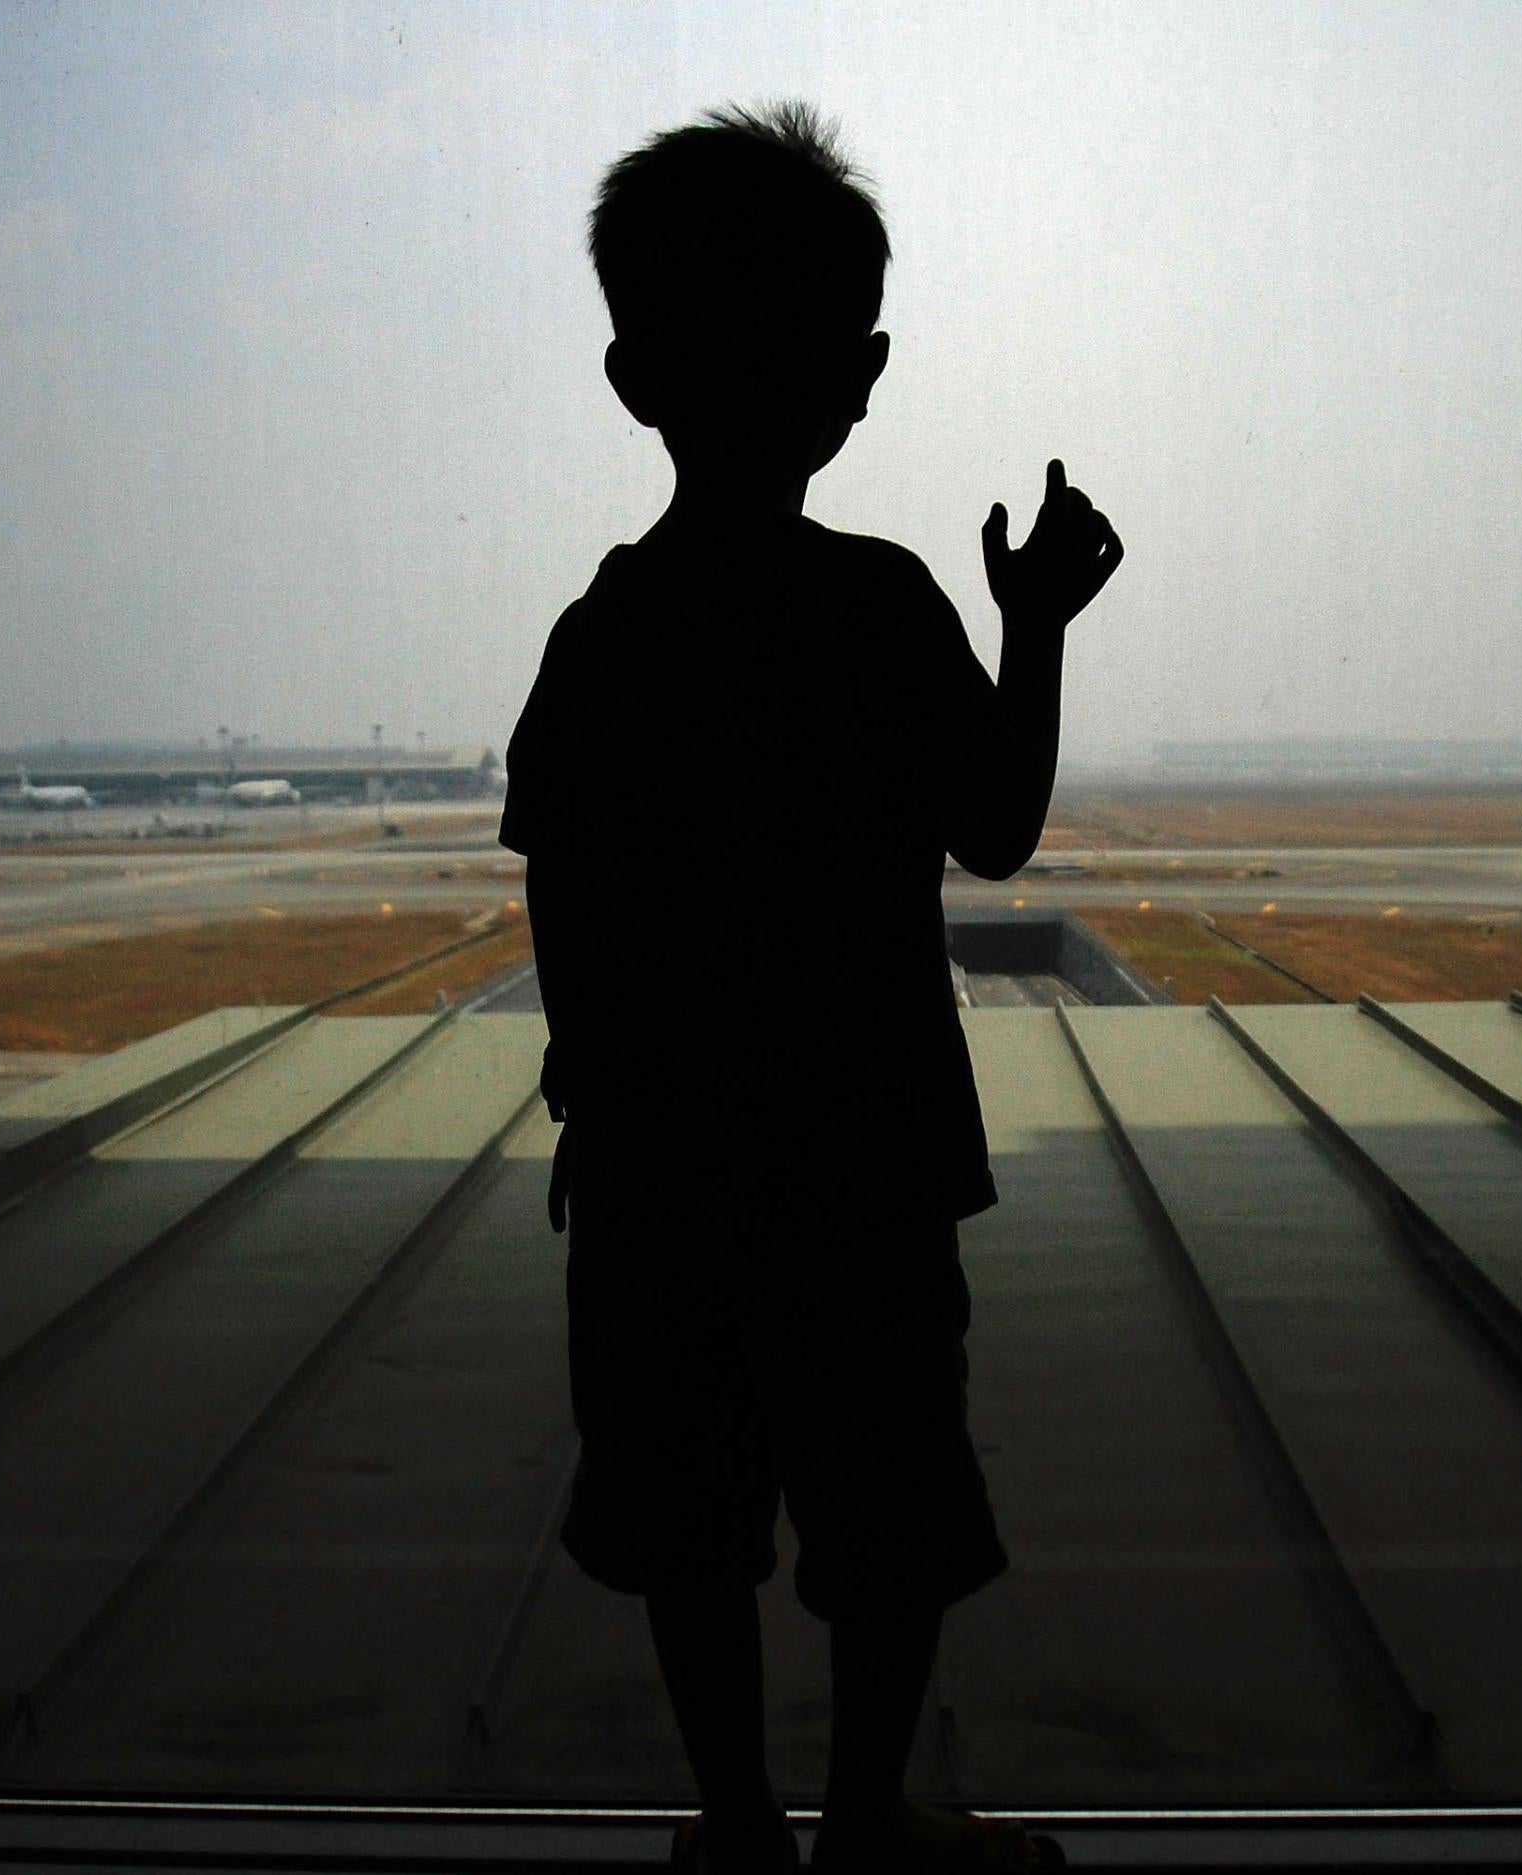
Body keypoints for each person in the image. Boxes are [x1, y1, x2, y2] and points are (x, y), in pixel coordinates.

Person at [500, 101, 1121, 1875]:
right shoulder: (879, 608)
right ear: (857, 378)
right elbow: (995, 833)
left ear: (636, 379)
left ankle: (735, 1829)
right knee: (886, 1516)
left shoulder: (606, 628)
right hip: (860, 1168)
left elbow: (568, 895)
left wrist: (606, 1110)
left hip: (656, 1181)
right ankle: (860, 1826)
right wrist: (1038, 630)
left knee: (688, 1521)